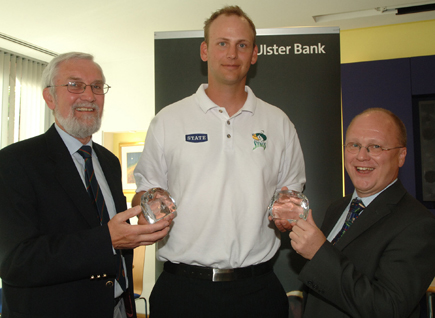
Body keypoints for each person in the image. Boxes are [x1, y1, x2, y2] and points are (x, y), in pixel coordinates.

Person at [132, 5, 306, 318]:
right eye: (222, 43)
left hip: (258, 292)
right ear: (204, 50)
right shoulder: (168, 120)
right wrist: (149, 206)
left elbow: (291, 198)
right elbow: (145, 192)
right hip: (182, 292)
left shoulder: (279, 123)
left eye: (242, 45)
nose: (232, 53)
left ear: (254, 54)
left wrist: (289, 216)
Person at [0, 52, 173, 318]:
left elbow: (114, 233)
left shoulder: (109, 162)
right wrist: (107, 240)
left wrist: (138, 232)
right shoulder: (14, 162)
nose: (89, 96)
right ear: (49, 97)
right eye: (74, 85)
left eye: (96, 86)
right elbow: (15, 262)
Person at [290, 108, 435, 318]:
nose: (361, 156)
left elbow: (388, 309)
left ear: (401, 155)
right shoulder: (337, 208)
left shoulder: (418, 224)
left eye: (375, 147)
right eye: (354, 145)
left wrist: (319, 252)